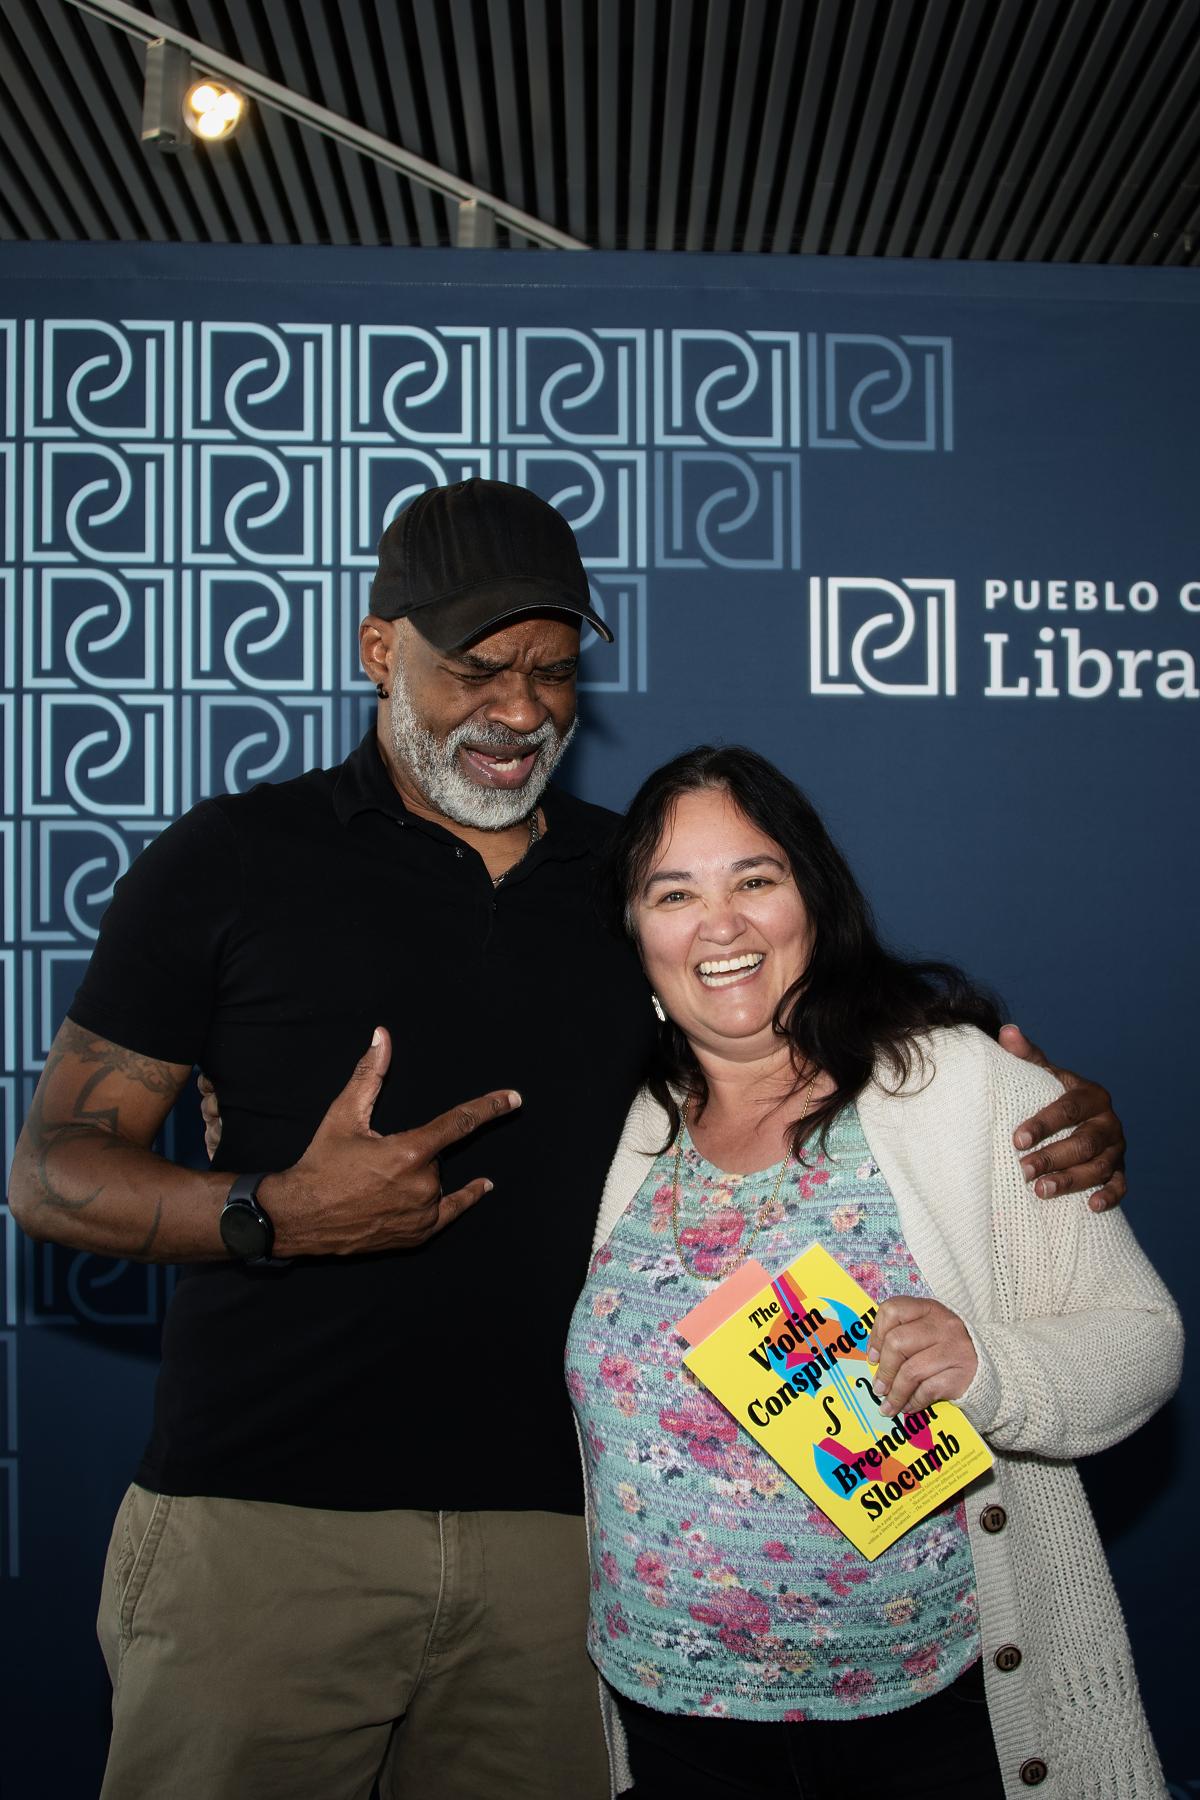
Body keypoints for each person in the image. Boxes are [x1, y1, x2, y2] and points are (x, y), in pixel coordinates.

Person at [8, 480, 1126, 1800]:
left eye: (552, 673)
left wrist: (1030, 1112)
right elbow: (51, 1171)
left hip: (569, 1557)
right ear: (380, 650)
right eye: (479, 669)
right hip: (260, 1530)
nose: (523, 711)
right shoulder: (231, 861)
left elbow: (835, 1038)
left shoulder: (635, 892)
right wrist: (271, 1212)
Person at [567, 745, 1180, 1800]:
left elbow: (1141, 1336)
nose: (720, 924)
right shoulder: (615, 1131)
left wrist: (986, 1366)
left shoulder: (958, 1089)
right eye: (675, 893)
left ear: (815, 897)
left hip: (924, 1721)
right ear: (636, 935)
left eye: (755, 879)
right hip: (671, 1722)